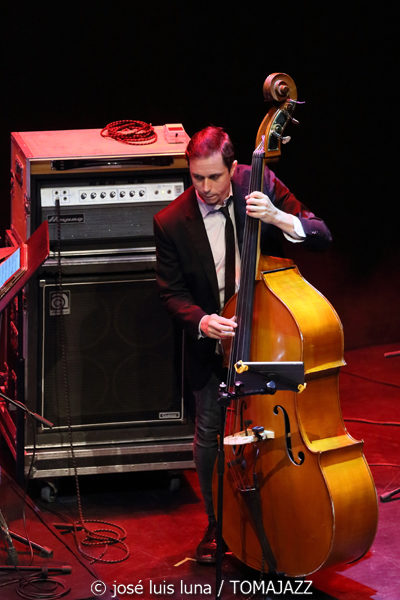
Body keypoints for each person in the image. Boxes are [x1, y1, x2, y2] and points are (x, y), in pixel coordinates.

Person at [153, 126, 332, 564]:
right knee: (209, 432)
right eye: (197, 178)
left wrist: (276, 217)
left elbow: (321, 234)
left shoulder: (260, 181)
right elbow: (171, 294)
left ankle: (284, 512)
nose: (206, 188)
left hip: (269, 337)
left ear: (233, 168)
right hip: (213, 346)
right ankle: (218, 524)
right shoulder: (170, 221)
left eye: (214, 177)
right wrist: (202, 321)